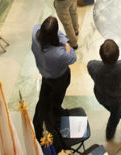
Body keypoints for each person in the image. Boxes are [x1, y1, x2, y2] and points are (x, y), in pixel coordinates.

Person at [31, 16, 77, 149]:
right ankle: (55, 126)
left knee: (44, 101)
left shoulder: (35, 32)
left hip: (46, 76)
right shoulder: (59, 53)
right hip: (59, 78)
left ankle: (47, 121)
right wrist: (66, 43)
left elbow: (40, 27)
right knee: (56, 101)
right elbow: (73, 56)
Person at [88, 39, 121, 141]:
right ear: (118, 54)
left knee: (115, 111)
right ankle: (110, 132)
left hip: (101, 96)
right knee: (115, 114)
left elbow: (90, 65)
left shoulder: (93, 67)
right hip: (118, 97)